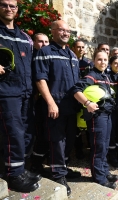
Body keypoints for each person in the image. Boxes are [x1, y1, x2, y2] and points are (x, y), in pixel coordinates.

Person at [33, 20, 81, 196]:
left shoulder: (72, 55)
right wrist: (51, 102)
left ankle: (64, 168)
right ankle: (58, 175)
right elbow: (40, 79)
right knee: (57, 141)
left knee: (69, 140)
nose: (65, 33)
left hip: (71, 107)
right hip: (56, 107)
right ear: (52, 31)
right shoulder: (44, 53)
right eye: (61, 30)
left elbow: (76, 84)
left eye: (68, 31)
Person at [0, 0, 40, 192]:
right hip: (6, 92)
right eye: (4, 5)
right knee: (13, 133)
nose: (9, 9)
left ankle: (20, 169)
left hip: (26, 92)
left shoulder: (24, 36)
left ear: (17, 10)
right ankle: (13, 175)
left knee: (25, 132)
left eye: (13, 6)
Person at [71, 50, 118, 189]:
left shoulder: (105, 76)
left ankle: (104, 171)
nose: (102, 62)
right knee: (98, 146)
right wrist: (87, 103)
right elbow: (76, 90)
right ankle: (99, 177)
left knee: (104, 145)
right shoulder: (92, 76)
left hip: (107, 114)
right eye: (99, 59)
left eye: (105, 60)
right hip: (97, 116)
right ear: (93, 61)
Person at [30, 33, 51, 177]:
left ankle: (42, 160)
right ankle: (35, 165)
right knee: (38, 135)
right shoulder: (30, 59)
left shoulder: (48, 58)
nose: (43, 44)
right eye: (40, 41)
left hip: (48, 101)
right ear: (33, 43)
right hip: (34, 102)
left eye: (46, 41)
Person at [72, 39, 92, 160]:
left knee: (88, 123)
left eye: (82, 47)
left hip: (86, 97)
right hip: (73, 97)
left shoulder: (89, 63)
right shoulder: (71, 61)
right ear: (73, 48)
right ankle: (78, 149)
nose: (80, 49)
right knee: (76, 126)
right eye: (78, 47)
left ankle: (90, 148)